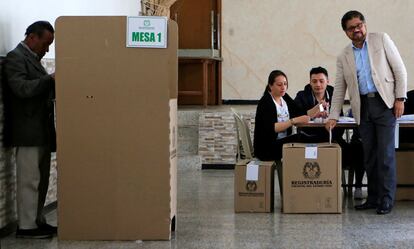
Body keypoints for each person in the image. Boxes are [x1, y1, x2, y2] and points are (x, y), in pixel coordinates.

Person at [326, 11, 407, 215]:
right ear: (346, 32)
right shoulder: (343, 56)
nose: (357, 30)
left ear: (364, 24)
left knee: (385, 154)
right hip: (362, 108)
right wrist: (333, 115)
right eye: (352, 28)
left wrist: (400, 98)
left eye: (359, 25)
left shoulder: (381, 39)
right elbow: (339, 88)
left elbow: (400, 70)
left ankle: (387, 199)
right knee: (369, 155)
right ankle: (373, 198)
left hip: (385, 104)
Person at [2, 21, 57, 238]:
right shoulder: (15, 58)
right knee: (29, 180)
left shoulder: (33, 59)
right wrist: (48, 79)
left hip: (40, 130)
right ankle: (26, 226)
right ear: (32, 38)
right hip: (27, 131)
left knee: (41, 179)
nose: (47, 49)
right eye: (46, 43)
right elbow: (21, 88)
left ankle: (37, 220)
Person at [295, 66, 365, 199]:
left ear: (327, 81)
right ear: (309, 82)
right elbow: (297, 119)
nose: (318, 85)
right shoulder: (302, 96)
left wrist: (332, 122)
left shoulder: (335, 95)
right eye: (314, 81)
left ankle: (358, 186)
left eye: (321, 81)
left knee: (358, 148)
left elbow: (342, 122)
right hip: (310, 141)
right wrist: (313, 114)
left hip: (333, 139)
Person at [253, 70, 310, 161]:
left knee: (303, 138)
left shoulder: (284, 97)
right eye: (279, 85)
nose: (283, 87)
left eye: (285, 84)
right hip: (267, 148)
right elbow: (273, 128)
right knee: (300, 138)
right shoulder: (266, 102)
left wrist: (319, 108)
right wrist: (293, 121)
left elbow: (301, 113)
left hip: (281, 142)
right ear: (270, 86)